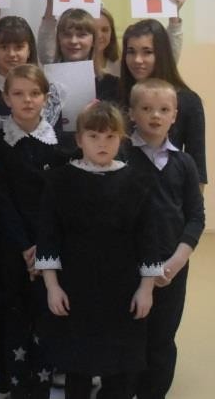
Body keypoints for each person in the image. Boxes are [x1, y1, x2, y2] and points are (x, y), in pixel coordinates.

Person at [36, 101, 159, 399]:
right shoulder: (59, 181)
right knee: (78, 367)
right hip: (75, 288)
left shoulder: (138, 182)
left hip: (123, 289)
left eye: (110, 137)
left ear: (121, 139)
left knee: (119, 369)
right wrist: (52, 287)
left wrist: (146, 289)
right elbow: (49, 237)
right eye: (93, 136)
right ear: (79, 140)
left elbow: (149, 239)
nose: (102, 144)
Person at [0, 65, 72, 399]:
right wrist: (24, 247)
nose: (27, 100)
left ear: (46, 98)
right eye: (18, 94)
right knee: (10, 317)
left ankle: (41, 386)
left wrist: (43, 248)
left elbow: (59, 203)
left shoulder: (61, 147)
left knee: (45, 318)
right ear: (6, 98)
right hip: (10, 249)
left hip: (49, 249)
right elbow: (1, 200)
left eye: (35, 93)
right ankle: (12, 384)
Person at [123, 79, 205, 399]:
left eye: (163, 109)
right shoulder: (121, 156)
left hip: (172, 269)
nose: (155, 115)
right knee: (129, 335)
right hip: (128, 268)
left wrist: (176, 261)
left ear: (174, 115)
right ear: (132, 113)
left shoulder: (184, 163)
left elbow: (195, 217)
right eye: (146, 108)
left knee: (161, 337)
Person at [120, 19, 207, 186]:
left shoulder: (188, 101)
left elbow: (198, 173)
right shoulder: (118, 97)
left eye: (147, 52)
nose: (137, 60)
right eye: (131, 52)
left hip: (172, 197)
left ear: (161, 54)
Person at [38, 0, 186, 76]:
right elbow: (46, 48)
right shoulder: (61, 63)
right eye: (93, 30)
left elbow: (166, 60)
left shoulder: (122, 67)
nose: (99, 35)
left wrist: (174, 14)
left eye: (105, 30)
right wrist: (50, 3)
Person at [0, 16, 64, 138]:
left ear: (29, 50)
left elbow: (58, 142)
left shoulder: (49, 93)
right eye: (4, 47)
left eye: (19, 47)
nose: (11, 54)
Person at [42, 6, 121, 103]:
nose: (73, 41)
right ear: (58, 39)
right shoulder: (43, 82)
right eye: (67, 34)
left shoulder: (112, 85)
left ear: (93, 40)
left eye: (81, 35)